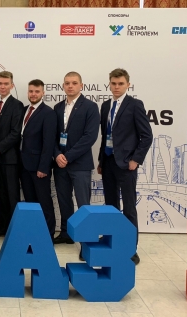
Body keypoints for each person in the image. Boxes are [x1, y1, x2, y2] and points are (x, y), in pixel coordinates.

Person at [98, 68, 153, 265]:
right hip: (108, 162)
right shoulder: (105, 106)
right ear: (109, 84)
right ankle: (112, 242)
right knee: (111, 207)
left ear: (128, 85)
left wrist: (136, 159)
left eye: (120, 84)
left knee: (129, 208)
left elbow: (147, 136)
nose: (116, 87)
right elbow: (105, 135)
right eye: (113, 83)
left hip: (126, 164)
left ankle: (131, 248)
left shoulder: (135, 105)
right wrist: (101, 161)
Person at [52, 72, 99, 253]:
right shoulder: (57, 108)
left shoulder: (90, 107)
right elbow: (52, 136)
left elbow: (90, 137)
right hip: (60, 164)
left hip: (80, 164)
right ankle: (66, 233)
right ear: (63, 86)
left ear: (81, 85)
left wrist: (68, 156)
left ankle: (87, 242)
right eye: (67, 83)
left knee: (83, 205)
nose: (70, 86)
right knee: (64, 201)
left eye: (74, 83)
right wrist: (57, 154)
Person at [19, 79, 57, 239]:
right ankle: (34, 233)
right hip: (24, 165)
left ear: (43, 93)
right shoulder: (24, 110)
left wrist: (43, 167)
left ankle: (48, 235)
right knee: (30, 202)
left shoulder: (48, 113)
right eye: (31, 91)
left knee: (44, 202)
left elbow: (49, 143)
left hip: (39, 167)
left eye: (36, 91)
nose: (33, 94)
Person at [0, 71, 23, 238]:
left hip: (10, 159)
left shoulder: (17, 105)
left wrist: (0, 147)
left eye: (6, 84)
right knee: (1, 194)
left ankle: (15, 230)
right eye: (0, 83)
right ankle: (3, 226)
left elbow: (16, 132)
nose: (2, 86)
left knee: (12, 195)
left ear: (12, 85)